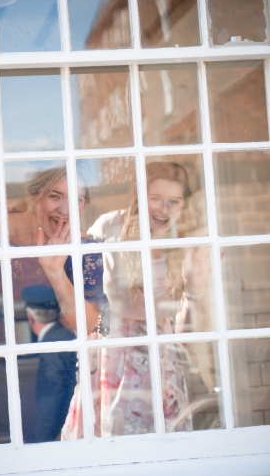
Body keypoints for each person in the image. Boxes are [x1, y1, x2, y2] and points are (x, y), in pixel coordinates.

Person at [65, 161, 211, 438]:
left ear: (183, 205)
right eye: (155, 198)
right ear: (139, 197)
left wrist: (193, 287)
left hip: (158, 363)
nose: (163, 209)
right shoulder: (110, 226)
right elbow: (80, 288)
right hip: (110, 356)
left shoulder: (184, 244)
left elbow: (183, 338)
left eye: (174, 201)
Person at [0, 166, 106, 443]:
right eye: (55, 196)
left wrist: (55, 271)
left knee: (42, 447)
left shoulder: (84, 250)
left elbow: (89, 324)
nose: (65, 209)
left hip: (54, 366)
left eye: (76, 199)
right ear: (33, 197)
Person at [17, 285, 78, 443]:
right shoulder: (66, 335)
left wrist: (40, 439)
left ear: (30, 318)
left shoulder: (50, 344)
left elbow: (53, 395)